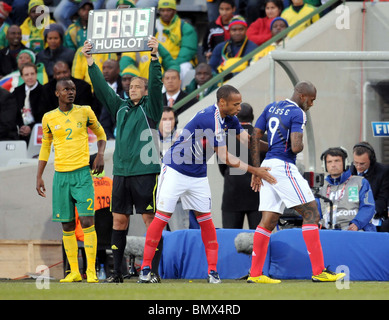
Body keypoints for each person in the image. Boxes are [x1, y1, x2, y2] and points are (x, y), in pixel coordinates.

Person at [138, 84, 277, 284]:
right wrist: (256, 170)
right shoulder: (210, 119)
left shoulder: (229, 118)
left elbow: (247, 139)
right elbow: (225, 156)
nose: (239, 107)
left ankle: (212, 272)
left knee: (206, 222)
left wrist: (274, 147)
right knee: (161, 218)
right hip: (175, 169)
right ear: (222, 102)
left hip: (197, 174)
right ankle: (145, 269)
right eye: (235, 104)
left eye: (239, 104)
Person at [81, 37, 164, 283]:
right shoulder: (120, 107)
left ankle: (152, 271)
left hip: (145, 172)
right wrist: (90, 61)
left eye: (138, 86)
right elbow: (103, 89)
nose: (132, 88)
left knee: (150, 220)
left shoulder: (152, 108)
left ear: (146, 91)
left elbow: (157, 84)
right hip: (122, 173)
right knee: (119, 220)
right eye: (130, 85)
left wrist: (154, 57)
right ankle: (117, 273)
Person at [248, 81, 346, 283]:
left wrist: (256, 170)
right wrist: (299, 144)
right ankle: (319, 271)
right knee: (312, 213)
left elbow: (255, 137)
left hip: (266, 166)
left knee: (268, 220)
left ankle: (255, 274)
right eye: (312, 100)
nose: (312, 105)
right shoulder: (298, 113)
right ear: (302, 96)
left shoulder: (271, 107)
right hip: (284, 166)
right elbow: (295, 147)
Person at [36, 77, 107, 283]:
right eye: (66, 89)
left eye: (73, 89)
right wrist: (39, 175)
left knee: (87, 221)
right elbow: (45, 147)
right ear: (57, 93)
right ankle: (74, 272)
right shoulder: (49, 117)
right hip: (60, 176)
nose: (71, 92)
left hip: (82, 174)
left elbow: (101, 134)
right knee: (67, 225)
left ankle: (91, 271)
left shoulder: (85, 112)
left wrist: (100, 154)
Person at [219, 103, 267, 229]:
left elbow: (222, 167)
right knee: (258, 236)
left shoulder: (226, 137)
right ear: (252, 117)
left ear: (236, 116)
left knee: (231, 237)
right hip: (257, 193)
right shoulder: (263, 139)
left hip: (232, 193)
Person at [316, 147, 376, 231]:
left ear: (345, 163)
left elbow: (368, 207)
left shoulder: (360, 182)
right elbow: (315, 213)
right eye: (329, 162)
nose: (333, 165)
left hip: (356, 230)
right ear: (324, 165)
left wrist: (357, 224)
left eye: (337, 161)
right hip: (328, 232)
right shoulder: (321, 187)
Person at [349, 142, 389, 231]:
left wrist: (366, 215)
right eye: (356, 163)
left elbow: (382, 199)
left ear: (371, 160)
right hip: (351, 213)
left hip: (373, 214)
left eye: (362, 163)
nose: (358, 167)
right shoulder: (348, 171)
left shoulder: (383, 171)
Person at [155, 0, 198, 81]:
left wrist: (172, 66)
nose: (165, 13)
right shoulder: (154, 26)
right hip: (160, 61)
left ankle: (183, 93)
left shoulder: (184, 26)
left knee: (185, 68)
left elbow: (188, 50)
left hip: (179, 62)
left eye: (168, 10)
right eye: (162, 10)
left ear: (175, 11)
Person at [12, 62, 43, 145]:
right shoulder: (16, 92)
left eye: (32, 74)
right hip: (20, 131)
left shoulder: (45, 91)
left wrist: (31, 128)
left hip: (39, 131)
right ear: (22, 77)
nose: (30, 77)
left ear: (36, 74)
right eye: (26, 75)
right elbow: (13, 114)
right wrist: (20, 127)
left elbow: (47, 115)